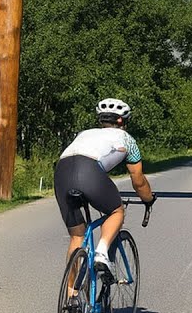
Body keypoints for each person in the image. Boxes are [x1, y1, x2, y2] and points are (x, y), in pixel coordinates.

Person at [54, 98, 156, 285]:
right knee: (116, 211)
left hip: (61, 172)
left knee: (77, 236)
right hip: (90, 171)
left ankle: (71, 296)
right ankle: (101, 253)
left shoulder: (84, 133)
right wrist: (148, 199)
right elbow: (138, 180)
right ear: (122, 121)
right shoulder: (127, 139)